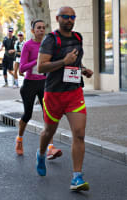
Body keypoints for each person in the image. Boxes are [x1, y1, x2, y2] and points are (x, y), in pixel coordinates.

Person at [36, 7, 93, 191]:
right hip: (54, 93)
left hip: (74, 92)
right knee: (48, 132)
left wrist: (83, 69)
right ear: (58, 18)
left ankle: (77, 176)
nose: (69, 20)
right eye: (66, 17)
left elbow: (75, 61)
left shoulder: (77, 38)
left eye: (72, 17)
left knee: (79, 133)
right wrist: (64, 62)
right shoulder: (50, 39)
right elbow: (41, 67)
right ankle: (41, 153)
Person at [15, 20, 62, 160]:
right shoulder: (28, 45)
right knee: (27, 114)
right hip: (30, 83)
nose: (41, 30)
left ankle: (50, 148)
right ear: (33, 30)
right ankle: (19, 139)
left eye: (43, 27)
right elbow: (22, 68)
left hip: (45, 83)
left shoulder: (48, 44)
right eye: (38, 28)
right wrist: (37, 61)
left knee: (48, 115)